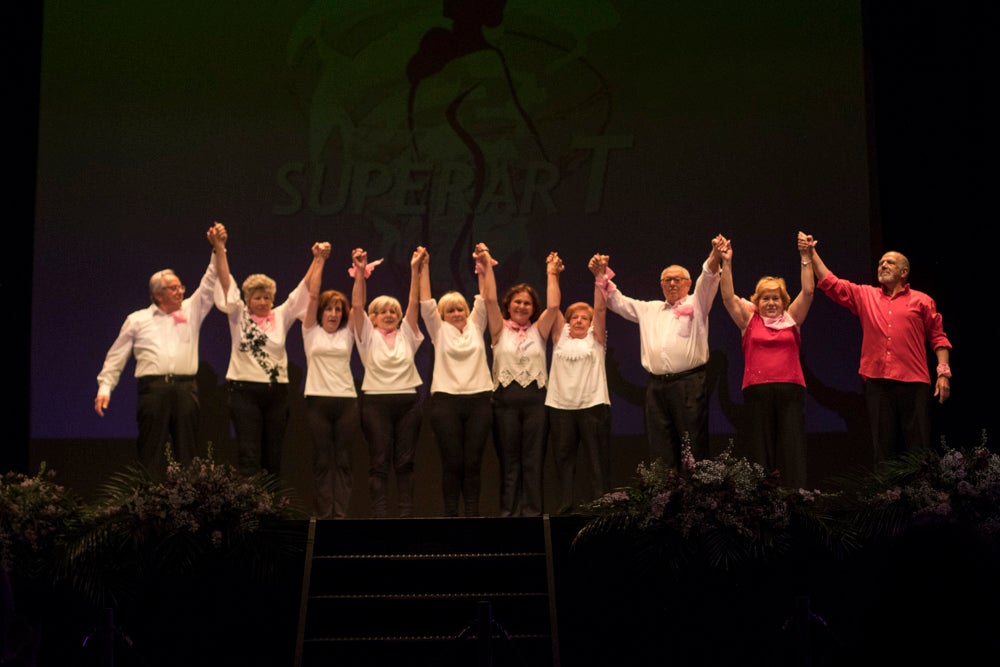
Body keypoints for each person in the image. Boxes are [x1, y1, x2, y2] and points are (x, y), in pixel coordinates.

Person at [95, 222, 227, 472]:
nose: (180, 292)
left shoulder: (191, 310)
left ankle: (190, 496)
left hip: (186, 389)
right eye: (173, 288)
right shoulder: (137, 320)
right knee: (151, 451)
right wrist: (105, 387)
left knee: (187, 453)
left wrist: (218, 249)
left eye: (180, 287)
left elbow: (210, 282)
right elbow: (117, 356)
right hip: (153, 390)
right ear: (158, 294)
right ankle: (148, 495)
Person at [807, 241, 952, 466]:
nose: (883, 265)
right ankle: (886, 489)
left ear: (904, 272)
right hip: (878, 382)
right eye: (881, 263)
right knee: (882, 448)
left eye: (890, 263)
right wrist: (812, 253)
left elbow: (938, 337)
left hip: (913, 381)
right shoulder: (866, 295)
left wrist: (943, 373)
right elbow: (831, 283)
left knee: (918, 445)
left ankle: (923, 488)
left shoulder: (922, 301)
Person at [592, 236, 725, 467]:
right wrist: (600, 274)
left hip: (689, 383)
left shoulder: (698, 302)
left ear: (688, 284)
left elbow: (708, 278)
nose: (672, 284)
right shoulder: (649, 309)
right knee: (660, 442)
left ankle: (696, 489)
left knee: (692, 441)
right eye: (667, 280)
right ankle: (664, 489)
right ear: (661, 285)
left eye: (677, 279)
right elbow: (617, 301)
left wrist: (715, 254)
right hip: (656, 386)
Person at [214, 234, 329, 478]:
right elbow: (225, 282)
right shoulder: (238, 315)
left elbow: (303, 289)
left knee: (273, 456)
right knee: (249, 454)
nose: (263, 302)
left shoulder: (281, 316)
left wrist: (318, 259)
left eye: (267, 297)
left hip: (276, 394)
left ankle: (273, 501)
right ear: (247, 300)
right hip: (244, 392)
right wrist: (219, 248)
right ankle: (250, 502)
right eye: (257, 297)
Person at [716, 232, 815, 488]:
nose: (771, 302)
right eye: (765, 298)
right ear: (757, 301)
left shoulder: (793, 319)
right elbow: (727, 297)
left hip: (790, 392)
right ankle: (762, 499)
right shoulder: (748, 321)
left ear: (784, 301)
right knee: (760, 450)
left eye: (776, 298)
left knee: (792, 448)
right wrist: (726, 262)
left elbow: (808, 291)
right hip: (757, 393)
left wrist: (806, 257)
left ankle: (797, 495)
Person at [480, 244, 562, 517]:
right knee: (509, 461)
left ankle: (533, 514)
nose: (522, 306)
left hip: (536, 402)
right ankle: (509, 514)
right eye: (517, 302)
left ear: (533, 308)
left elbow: (554, 305)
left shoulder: (539, 331)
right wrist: (487, 266)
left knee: (533, 460)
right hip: (504, 402)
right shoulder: (498, 329)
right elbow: (489, 299)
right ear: (509, 305)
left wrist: (552, 273)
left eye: (527, 303)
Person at [419, 245, 494, 517]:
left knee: (473, 462)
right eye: (450, 310)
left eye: (460, 308)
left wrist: (484, 263)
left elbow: (485, 297)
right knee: (452, 462)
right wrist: (424, 266)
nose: (457, 313)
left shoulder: (476, 325)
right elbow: (426, 303)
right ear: (442, 315)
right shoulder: (438, 331)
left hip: (479, 401)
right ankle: (451, 515)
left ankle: (472, 514)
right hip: (445, 403)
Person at [350, 246, 425, 518]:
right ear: (372, 318)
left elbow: (414, 303)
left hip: (408, 403)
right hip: (376, 403)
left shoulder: (407, 334)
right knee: (380, 461)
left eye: (393, 311)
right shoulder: (367, 336)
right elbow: (357, 306)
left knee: (405, 462)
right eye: (383, 311)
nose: (390, 314)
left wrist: (415, 270)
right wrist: (360, 273)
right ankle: (380, 516)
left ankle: (405, 515)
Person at [545, 257, 611, 514]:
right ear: (568, 321)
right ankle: (565, 504)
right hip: (561, 408)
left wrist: (599, 277)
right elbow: (553, 306)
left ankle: (600, 504)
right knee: (563, 458)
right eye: (575, 317)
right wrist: (553, 274)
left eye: (585, 317)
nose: (580, 320)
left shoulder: (596, 339)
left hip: (592, 406)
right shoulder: (559, 336)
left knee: (596, 458)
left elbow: (601, 310)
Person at [301, 253, 362, 519]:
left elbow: (358, 305)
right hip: (317, 401)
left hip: (346, 402)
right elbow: (313, 295)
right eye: (329, 309)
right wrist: (320, 260)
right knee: (323, 461)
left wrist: (359, 272)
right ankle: (324, 516)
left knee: (344, 461)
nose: (334, 314)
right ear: (321, 312)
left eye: (338, 310)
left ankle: (341, 517)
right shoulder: (310, 331)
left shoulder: (347, 335)